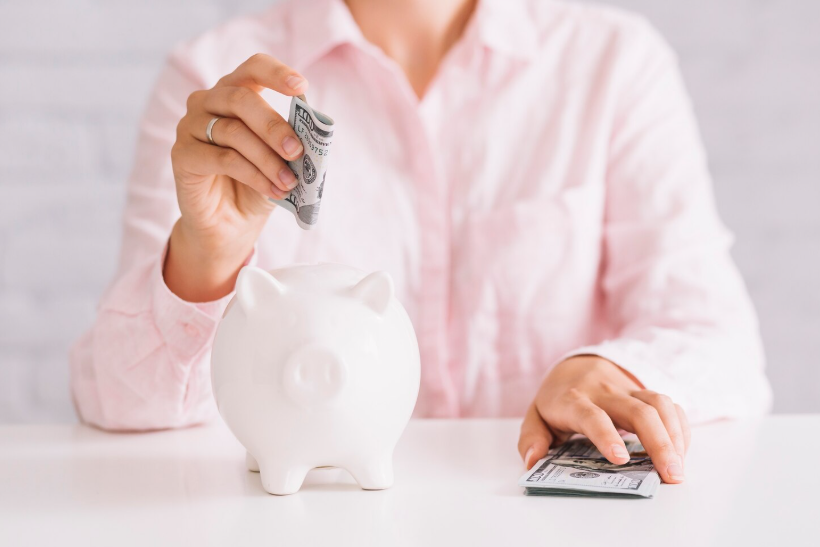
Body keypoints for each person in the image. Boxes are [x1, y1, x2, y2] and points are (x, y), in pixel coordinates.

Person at [70, 0, 772, 486]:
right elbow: (118, 401)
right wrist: (209, 255)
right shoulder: (217, 88)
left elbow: (721, 341)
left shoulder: (613, 65)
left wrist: (608, 370)